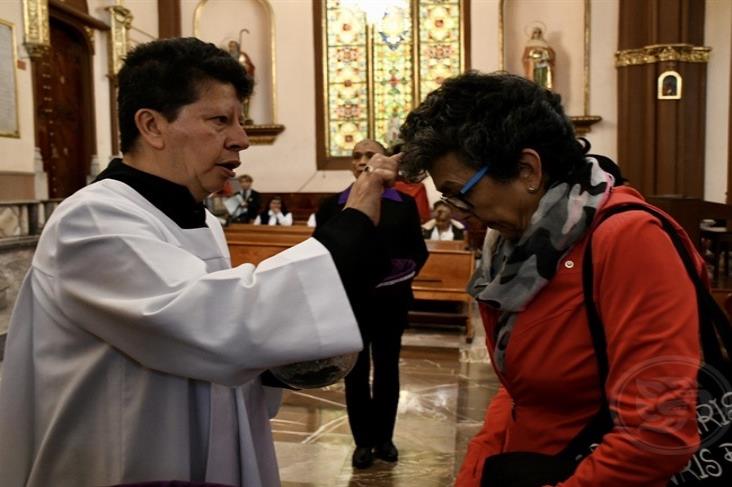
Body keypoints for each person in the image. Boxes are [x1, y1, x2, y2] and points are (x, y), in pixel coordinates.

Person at [0, 37, 400, 487]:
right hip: (126, 461)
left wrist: (283, 359)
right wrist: (352, 225)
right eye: (220, 120)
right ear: (152, 125)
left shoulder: (202, 221)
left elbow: (205, 343)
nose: (242, 139)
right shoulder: (94, 218)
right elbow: (208, 317)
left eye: (241, 121)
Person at [398, 72, 704, 486]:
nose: (455, 211)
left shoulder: (627, 241)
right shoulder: (515, 247)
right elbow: (522, 390)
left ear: (527, 169)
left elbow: (656, 434)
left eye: (459, 192)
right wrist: (474, 474)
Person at [316, 138, 428, 469]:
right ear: (351, 164)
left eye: (369, 154)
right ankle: (362, 441)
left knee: (387, 370)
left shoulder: (403, 204)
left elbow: (417, 252)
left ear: (383, 161)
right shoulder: (332, 205)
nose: (362, 160)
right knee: (355, 372)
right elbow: (323, 253)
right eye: (356, 156)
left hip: (390, 302)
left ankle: (385, 438)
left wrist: (397, 277)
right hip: (349, 304)